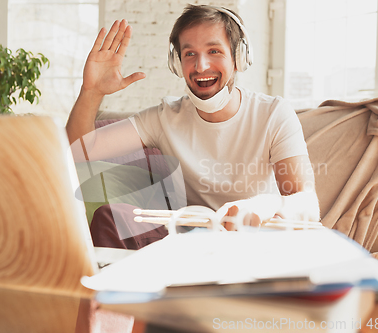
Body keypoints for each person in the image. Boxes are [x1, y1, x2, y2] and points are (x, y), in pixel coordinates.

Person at [66, 4, 320, 250]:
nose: (201, 66)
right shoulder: (164, 118)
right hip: (189, 240)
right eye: (190, 54)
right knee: (112, 216)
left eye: (214, 51)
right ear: (177, 63)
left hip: (252, 239)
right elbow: (78, 152)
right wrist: (92, 91)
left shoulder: (273, 113)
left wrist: (263, 206)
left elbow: (307, 203)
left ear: (239, 57)